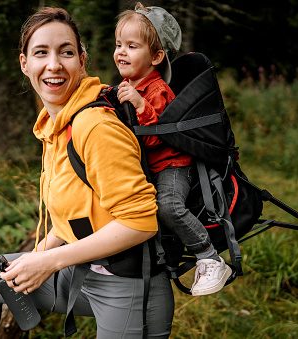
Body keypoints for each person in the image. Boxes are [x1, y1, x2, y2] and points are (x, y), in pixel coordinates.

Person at [0, 7, 174, 339]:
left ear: (82, 61)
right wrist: (33, 259)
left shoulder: (96, 126)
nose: (54, 64)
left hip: (130, 285)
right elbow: (71, 214)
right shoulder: (56, 124)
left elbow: (140, 222)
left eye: (67, 52)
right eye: (41, 53)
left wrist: (48, 263)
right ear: (24, 64)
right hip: (85, 272)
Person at [113, 3, 232, 296]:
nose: (121, 52)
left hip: (172, 164)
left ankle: (209, 256)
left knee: (168, 205)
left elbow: (158, 138)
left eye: (132, 46)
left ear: (156, 56)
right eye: (118, 45)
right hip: (149, 165)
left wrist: (140, 106)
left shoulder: (157, 91)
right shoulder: (129, 83)